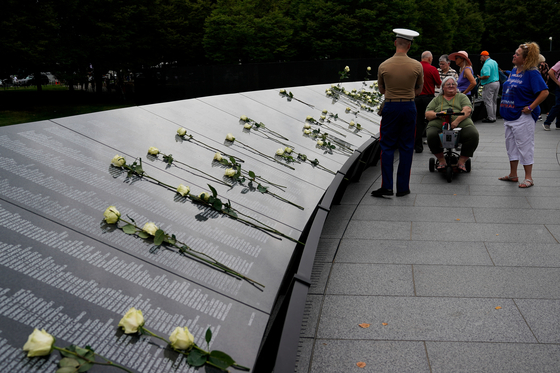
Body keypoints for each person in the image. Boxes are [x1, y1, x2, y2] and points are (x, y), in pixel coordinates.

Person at [372, 28, 423, 198]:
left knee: (386, 146)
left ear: (395, 43)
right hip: (408, 107)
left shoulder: (384, 66)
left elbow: (381, 90)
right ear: (409, 45)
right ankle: (403, 188)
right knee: (407, 146)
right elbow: (419, 90)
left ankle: (386, 186)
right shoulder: (417, 66)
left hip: (391, 107)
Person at [498, 42, 548, 188]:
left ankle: (528, 178)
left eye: (517, 54)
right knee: (511, 146)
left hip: (522, 117)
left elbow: (544, 92)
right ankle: (513, 174)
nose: (514, 55)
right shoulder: (514, 70)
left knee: (525, 147)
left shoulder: (532, 73)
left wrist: (531, 107)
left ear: (525, 59)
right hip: (509, 115)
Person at [425, 77, 479, 172]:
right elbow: (428, 113)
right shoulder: (437, 99)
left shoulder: (462, 97)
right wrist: (437, 114)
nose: (451, 86)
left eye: (453, 84)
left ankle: (462, 161)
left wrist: (456, 121)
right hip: (439, 122)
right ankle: (441, 160)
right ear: (443, 88)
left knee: (472, 134)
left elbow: (467, 110)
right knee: (432, 134)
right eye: (448, 84)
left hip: (461, 122)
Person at [414, 51, 441, 153]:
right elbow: (439, 84)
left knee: (418, 122)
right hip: (429, 98)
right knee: (433, 120)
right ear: (430, 59)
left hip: (417, 98)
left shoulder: (415, 68)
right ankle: (435, 144)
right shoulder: (432, 69)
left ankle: (418, 146)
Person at [478, 51, 500, 123]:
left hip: (489, 84)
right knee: (494, 101)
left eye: (481, 57)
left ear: (484, 56)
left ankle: (491, 118)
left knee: (488, 101)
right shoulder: (494, 62)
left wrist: (480, 77)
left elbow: (487, 75)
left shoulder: (486, 64)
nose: (480, 59)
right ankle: (493, 116)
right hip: (497, 83)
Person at [542, 59, 560, 130]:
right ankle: (547, 122)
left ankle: (558, 124)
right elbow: (550, 72)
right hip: (559, 87)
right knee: (558, 104)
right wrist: (558, 83)